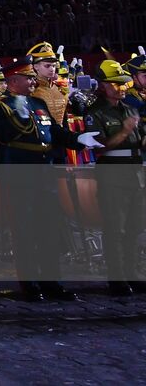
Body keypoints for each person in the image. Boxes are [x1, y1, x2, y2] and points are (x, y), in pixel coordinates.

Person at [0, 57, 101, 301]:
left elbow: (54, 131)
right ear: (13, 81)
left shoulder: (38, 102)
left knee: (49, 228)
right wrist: (21, 116)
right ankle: (30, 285)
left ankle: (53, 283)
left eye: (32, 78)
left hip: (44, 170)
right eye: (28, 78)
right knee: (25, 230)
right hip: (19, 172)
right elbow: (2, 134)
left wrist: (77, 139)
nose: (33, 82)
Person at [82, 60, 145, 296]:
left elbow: (140, 142)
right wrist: (125, 130)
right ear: (102, 85)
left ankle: (132, 274)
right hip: (112, 173)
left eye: (123, 83)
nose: (121, 88)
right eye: (115, 83)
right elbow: (99, 147)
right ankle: (117, 279)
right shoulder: (94, 112)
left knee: (134, 228)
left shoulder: (129, 109)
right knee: (115, 229)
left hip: (135, 173)